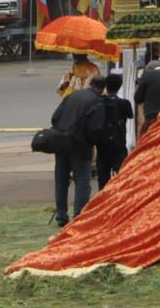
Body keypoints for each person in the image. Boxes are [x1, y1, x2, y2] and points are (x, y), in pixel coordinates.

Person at [48, 68, 105, 225]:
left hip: (60, 143)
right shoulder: (96, 102)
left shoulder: (72, 95)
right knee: (82, 181)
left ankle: (61, 216)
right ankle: (78, 216)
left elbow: (55, 117)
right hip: (80, 147)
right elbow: (95, 130)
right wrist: (92, 144)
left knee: (61, 180)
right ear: (102, 89)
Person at [94, 73, 132, 190]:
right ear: (120, 86)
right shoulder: (124, 103)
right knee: (122, 179)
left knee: (103, 181)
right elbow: (130, 115)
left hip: (102, 145)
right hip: (119, 144)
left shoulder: (99, 102)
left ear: (106, 86)